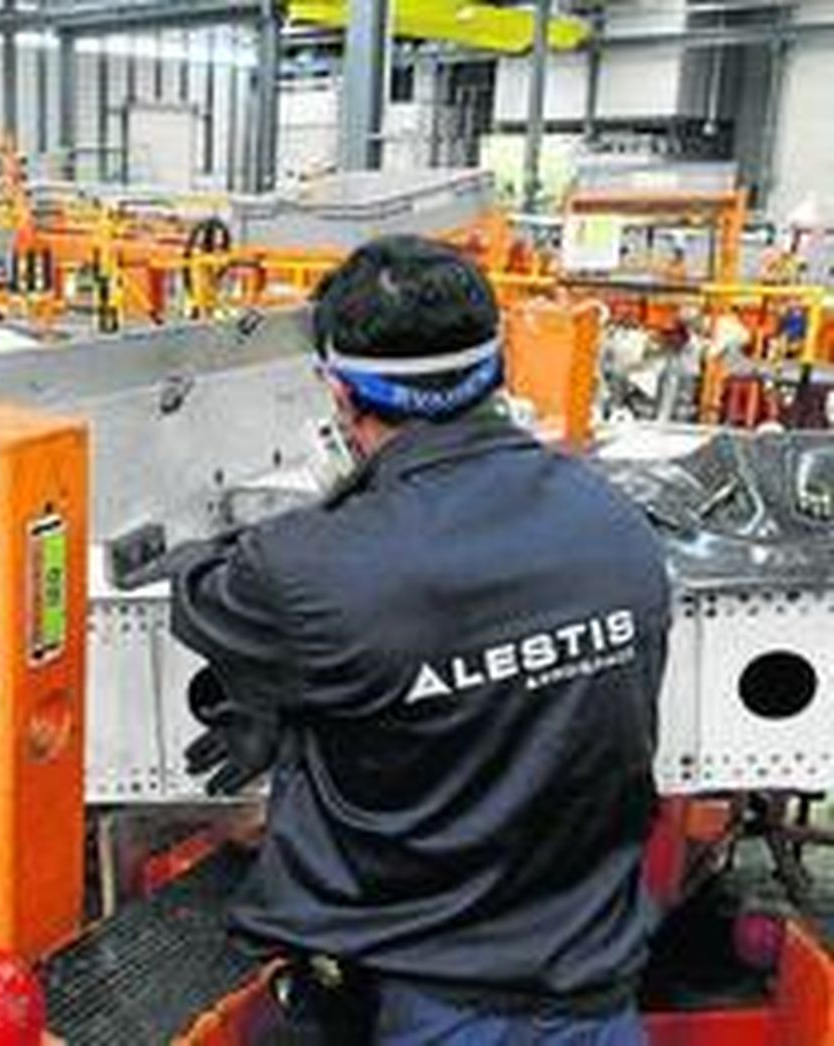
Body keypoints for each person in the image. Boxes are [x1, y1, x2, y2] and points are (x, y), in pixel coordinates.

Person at [172, 235, 670, 1044]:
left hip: (422, 1005)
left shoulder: (314, 568)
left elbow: (199, 590)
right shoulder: (617, 525)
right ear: (498, 368)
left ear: (339, 392)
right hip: (595, 996)